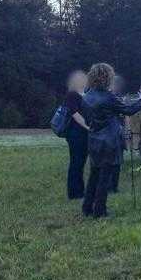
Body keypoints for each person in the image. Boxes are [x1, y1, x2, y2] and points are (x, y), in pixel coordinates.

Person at [82, 63, 141, 218]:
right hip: (109, 142)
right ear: (107, 78)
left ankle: (87, 208)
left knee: (94, 175)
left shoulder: (87, 95)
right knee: (105, 178)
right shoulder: (108, 97)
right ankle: (100, 211)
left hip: (94, 140)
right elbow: (128, 110)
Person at [65, 70, 89, 199]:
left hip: (85, 134)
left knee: (81, 163)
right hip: (76, 134)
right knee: (76, 163)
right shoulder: (72, 95)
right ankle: (74, 193)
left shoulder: (85, 94)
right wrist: (87, 126)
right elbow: (75, 114)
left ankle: (80, 190)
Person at [108, 75, 127, 193]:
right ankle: (110, 186)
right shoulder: (107, 97)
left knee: (117, 162)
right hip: (110, 134)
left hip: (118, 132)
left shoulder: (117, 97)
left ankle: (114, 186)